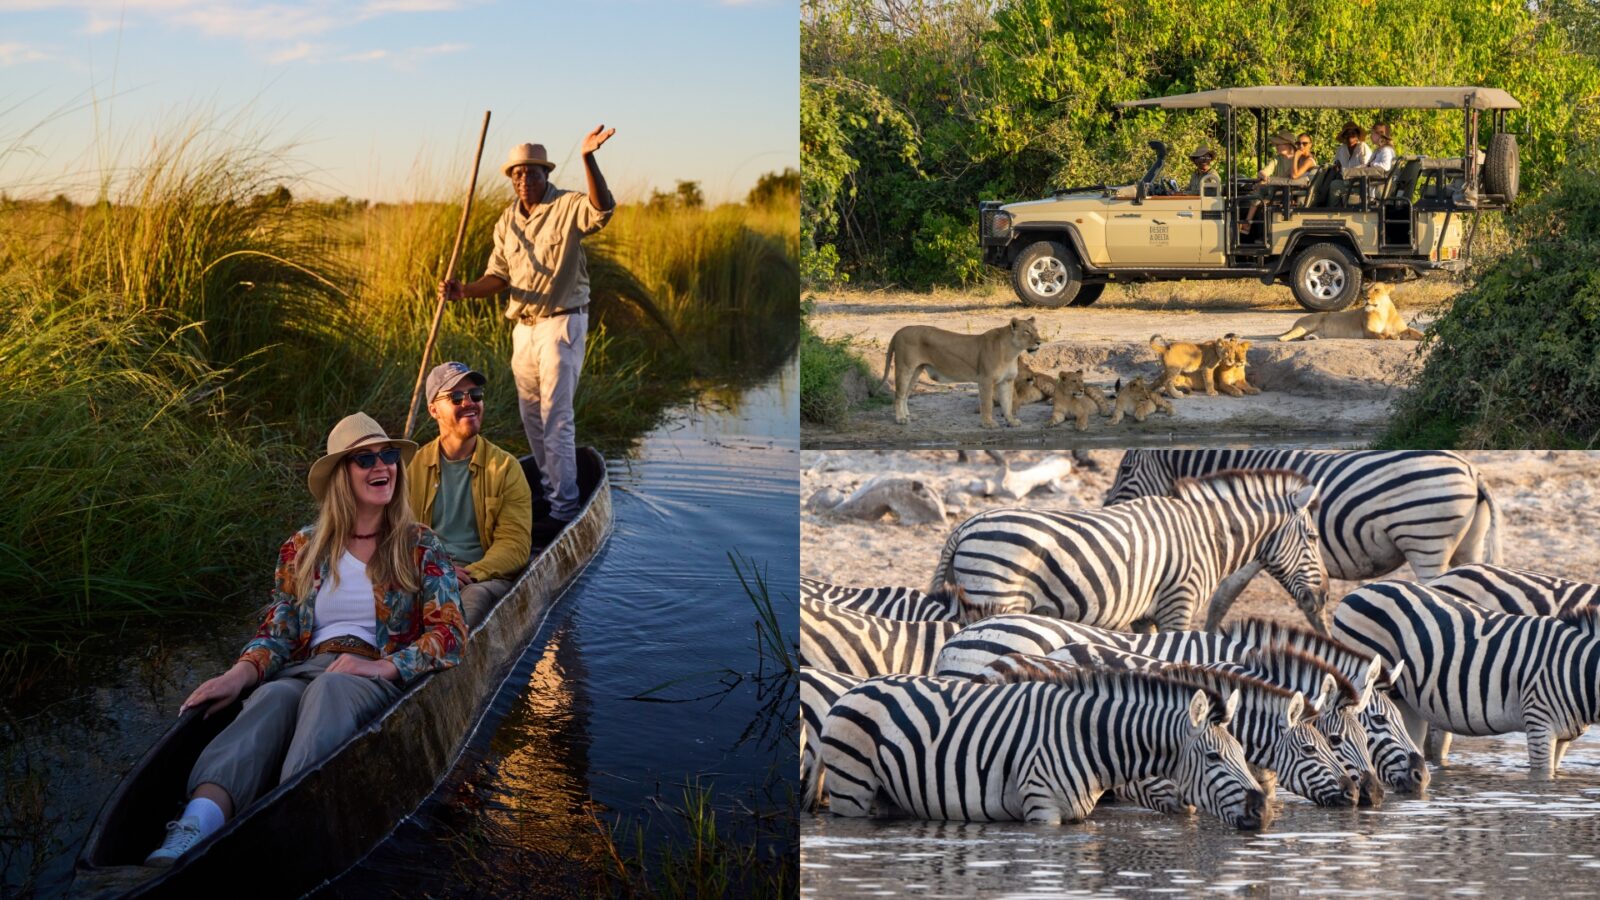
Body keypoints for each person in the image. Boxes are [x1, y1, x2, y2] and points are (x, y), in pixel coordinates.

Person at [144, 413, 465, 866]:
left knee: (330, 691)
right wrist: (240, 673)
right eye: (365, 458)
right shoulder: (302, 547)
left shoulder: (419, 544)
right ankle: (196, 824)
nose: (383, 465)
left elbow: (450, 632)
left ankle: (281, 822)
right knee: (271, 698)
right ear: (340, 477)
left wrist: (382, 667)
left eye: (388, 455)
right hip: (306, 668)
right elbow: (279, 630)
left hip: (370, 674)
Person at [439, 126, 616, 546]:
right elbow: (497, 276)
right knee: (532, 419)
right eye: (517, 174)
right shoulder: (507, 221)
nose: (524, 180)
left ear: (545, 173)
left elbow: (602, 209)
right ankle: (552, 494)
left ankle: (565, 510)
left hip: (561, 323)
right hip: (524, 328)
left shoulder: (568, 205)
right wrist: (464, 291)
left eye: (532, 173)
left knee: (557, 417)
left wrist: (589, 158)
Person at [407, 361, 534, 628]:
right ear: (433, 410)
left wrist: (472, 575)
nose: (469, 403)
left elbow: (515, 544)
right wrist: (436, 572)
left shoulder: (506, 468)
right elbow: (397, 536)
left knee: (468, 609)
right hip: (426, 572)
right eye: (455, 397)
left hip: (482, 578)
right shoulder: (412, 468)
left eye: (475, 395)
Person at [1240, 131, 1303, 234]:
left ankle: (1248, 224)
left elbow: (1297, 177)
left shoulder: (1298, 159)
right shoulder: (1277, 159)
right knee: (1260, 190)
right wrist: (1264, 176)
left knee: (1262, 190)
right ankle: (1248, 224)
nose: (1276, 147)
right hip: (1276, 188)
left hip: (1290, 190)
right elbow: (1264, 171)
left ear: (1288, 145)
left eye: (1278, 144)